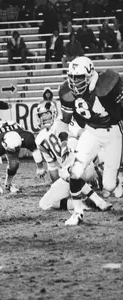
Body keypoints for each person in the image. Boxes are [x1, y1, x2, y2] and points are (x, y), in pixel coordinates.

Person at [56, 56, 123, 226]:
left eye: (79, 77)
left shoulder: (106, 85)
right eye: (72, 76)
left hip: (113, 132)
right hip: (91, 132)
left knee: (108, 186)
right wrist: (64, 145)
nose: (75, 81)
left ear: (90, 74)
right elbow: (63, 122)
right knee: (74, 171)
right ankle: (77, 213)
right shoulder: (66, 92)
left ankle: (114, 179)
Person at [35, 98, 112, 212]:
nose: (44, 117)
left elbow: (83, 135)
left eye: (47, 113)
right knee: (44, 204)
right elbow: (52, 166)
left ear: (54, 112)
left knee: (69, 170)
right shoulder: (39, 139)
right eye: (41, 115)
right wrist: (61, 187)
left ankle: (99, 201)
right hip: (67, 173)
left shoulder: (63, 123)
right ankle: (85, 203)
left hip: (83, 165)